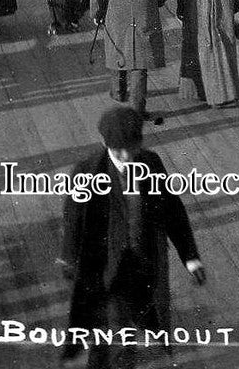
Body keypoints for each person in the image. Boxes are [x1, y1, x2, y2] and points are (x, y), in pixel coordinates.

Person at [57, 107, 205, 369]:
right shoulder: (86, 172)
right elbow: (73, 219)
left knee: (119, 335)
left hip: (142, 268)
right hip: (105, 272)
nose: (126, 157)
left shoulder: (151, 163)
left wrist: (190, 257)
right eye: (118, 150)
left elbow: (172, 211)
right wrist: (68, 258)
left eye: (131, 148)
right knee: (117, 336)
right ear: (104, 143)